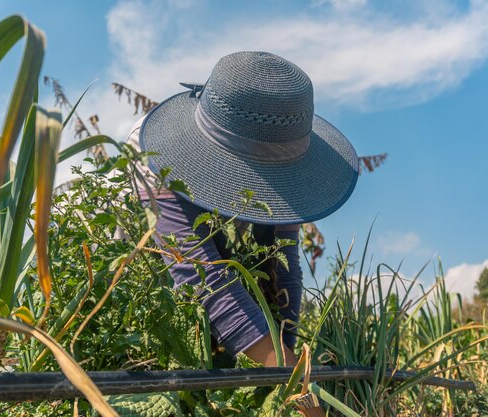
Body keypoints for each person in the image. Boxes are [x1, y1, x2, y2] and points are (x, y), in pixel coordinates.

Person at [127, 51, 359, 415]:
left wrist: (286, 364)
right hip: (138, 281)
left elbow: (285, 270)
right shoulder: (156, 158)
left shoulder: (278, 153)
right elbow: (201, 276)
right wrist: (305, 400)